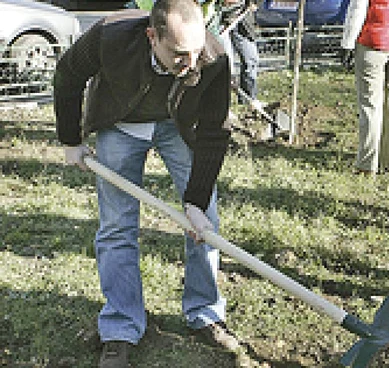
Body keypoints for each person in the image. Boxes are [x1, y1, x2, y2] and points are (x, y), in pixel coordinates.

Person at [52, 0, 241, 366]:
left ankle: (205, 313)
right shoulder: (109, 37)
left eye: (195, 52)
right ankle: (121, 325)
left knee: (206, 223)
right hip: (119, 126)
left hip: (177, 128)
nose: (190, 64)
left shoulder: (213, 56)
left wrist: (196, 201)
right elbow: (68, 75)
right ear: (152, 36)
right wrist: (70, 140)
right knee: (116, 226)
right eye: (179, 54)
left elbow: (215, 133)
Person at [341, 0, 389, 174]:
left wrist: (347, 44)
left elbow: (358, 8)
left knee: (370, 106)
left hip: (372, 43)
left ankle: (367, 165)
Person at [220, 0, 259, 104]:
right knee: (223, 66)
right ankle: (222, 103)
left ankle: (249, 99)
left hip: (243, 21)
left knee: (251, 61)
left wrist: (254, 3)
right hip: (220, 23)